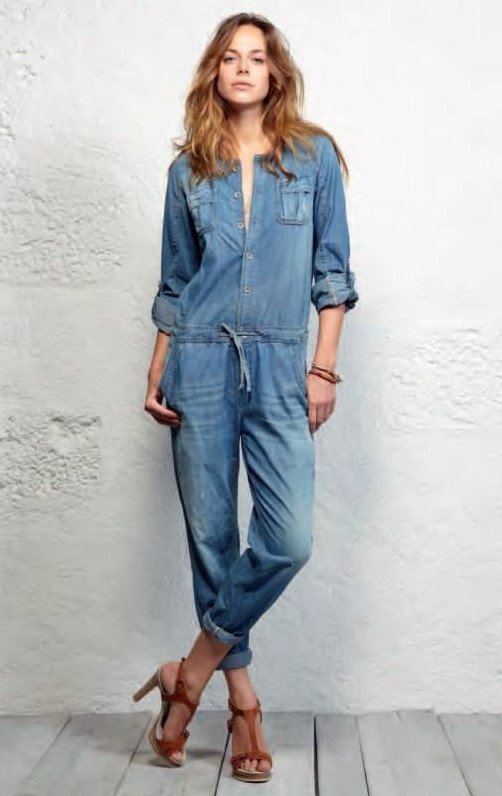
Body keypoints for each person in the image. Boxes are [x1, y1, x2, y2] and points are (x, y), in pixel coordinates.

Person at [134, 11, 359, 784]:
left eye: (256, 58)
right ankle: (244, 702)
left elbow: (332, 273)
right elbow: (175, 282)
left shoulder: (314, 157)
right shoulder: (188, 172)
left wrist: (322, 369)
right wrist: (157, 370)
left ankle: (189, 673)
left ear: (274, 74)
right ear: (215, 72)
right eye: (230, 57)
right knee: (212, 541)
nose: (242, 68)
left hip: (279, 363)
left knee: (287, 539)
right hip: (196, 361)